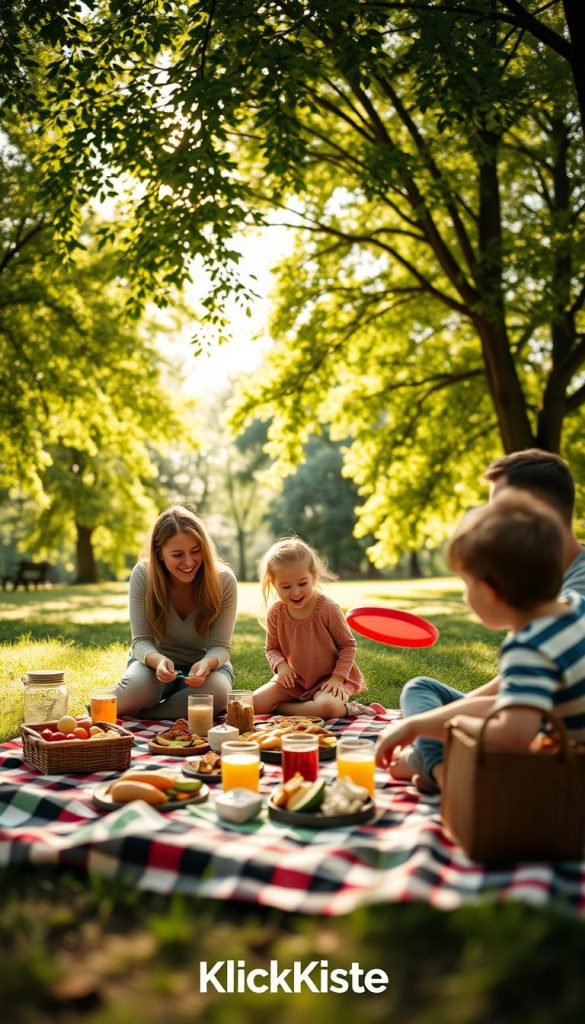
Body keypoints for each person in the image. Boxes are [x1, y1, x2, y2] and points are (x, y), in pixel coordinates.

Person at [389, 448, 585, 791]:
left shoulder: (528, 644)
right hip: (541, 719)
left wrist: (439, 727)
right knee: (421, 691)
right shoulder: (572, 606)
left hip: (554, 769)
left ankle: (438, 768)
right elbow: (518, 692)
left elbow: (514, 731)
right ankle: (434, 759)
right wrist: (429, 721)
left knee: (433, 723)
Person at [115, 505, 237, 720]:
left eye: (196, 551)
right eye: (177, 554)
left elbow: (221, 647)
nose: (189, 562)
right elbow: (140, 641)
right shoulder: (143, 575)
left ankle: (146, 715)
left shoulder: (224, 580)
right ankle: (152, 703)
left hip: (206, 671)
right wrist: (158, 661)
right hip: (153, 665)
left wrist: (206, 664)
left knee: (218, 693)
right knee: (131, 692)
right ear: (159, 554)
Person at [252, 537, 371, 719]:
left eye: (302, 583)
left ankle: (347, 708)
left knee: (327, 708)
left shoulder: (327, 609)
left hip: (329, 680)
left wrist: (338, 678)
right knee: (253, 704)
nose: (295, 592)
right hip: (295, 681)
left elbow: (348, 645)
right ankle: (304, 707)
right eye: (286, 586)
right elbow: (272, 649)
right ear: (273, 584)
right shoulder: (276, 613)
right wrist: (282, 666)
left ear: (314, 577)